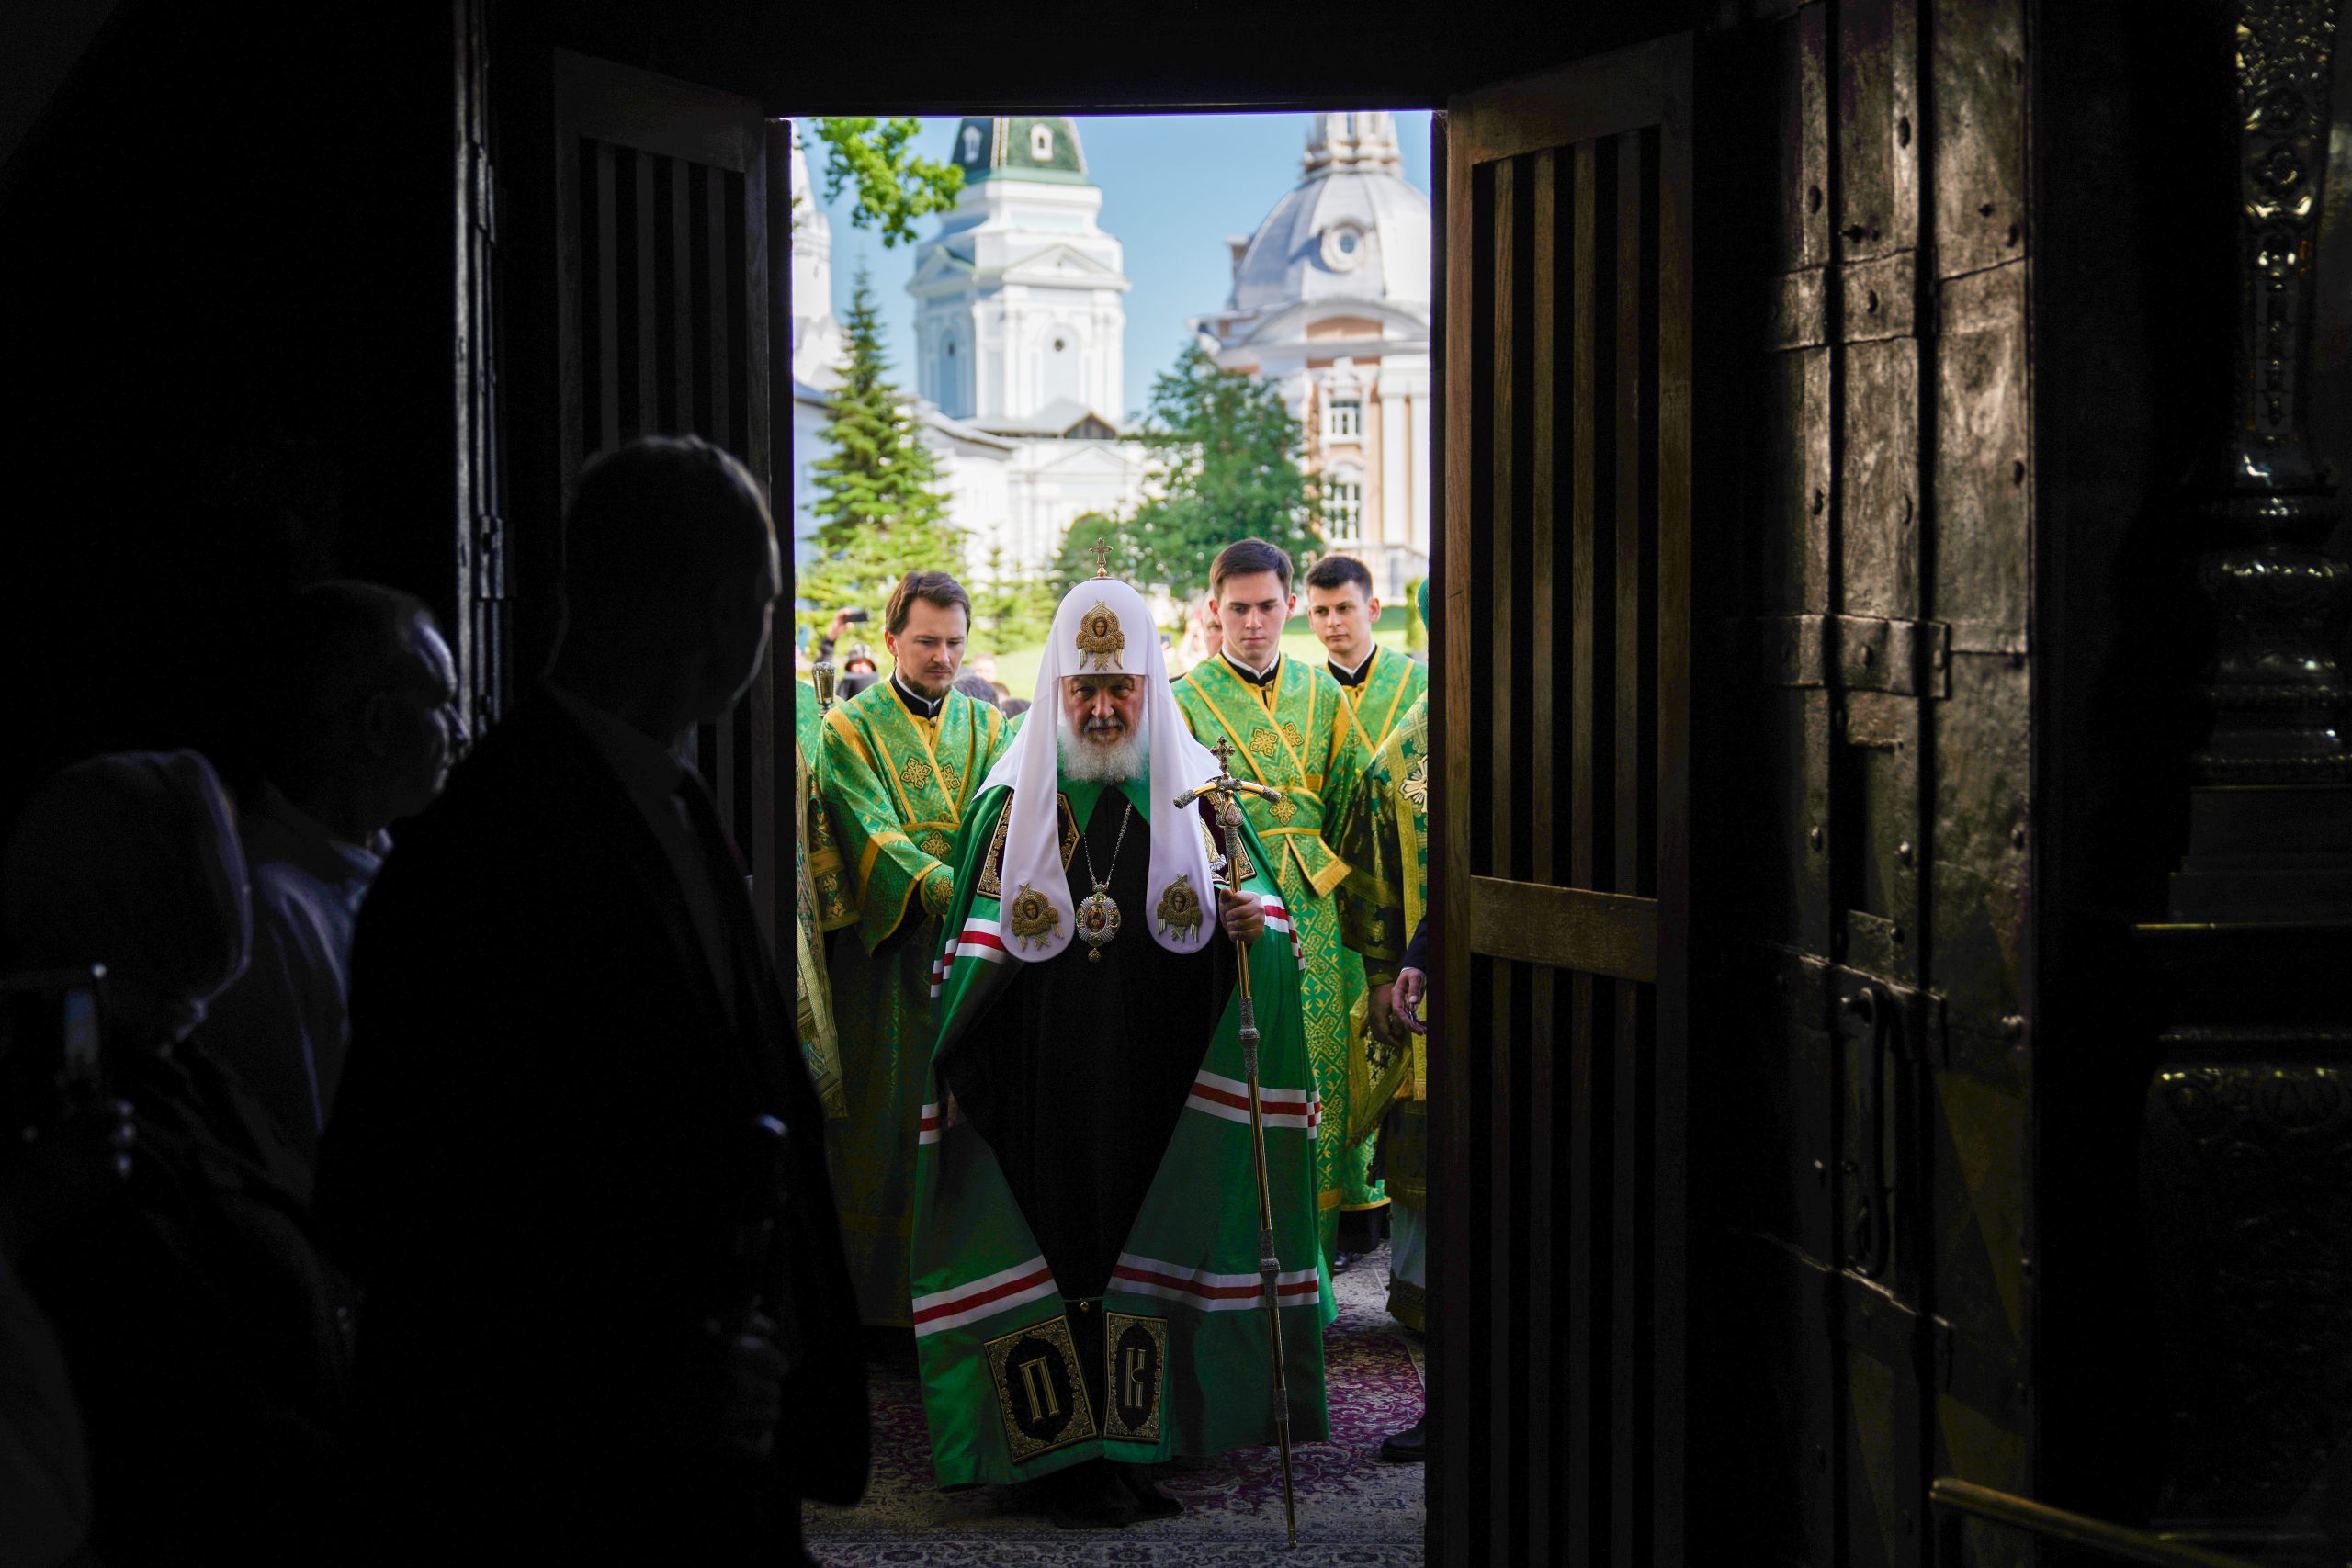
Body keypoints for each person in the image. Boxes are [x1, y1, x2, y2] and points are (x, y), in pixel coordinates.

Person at [316, 437, 866, 1565]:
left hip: (714, 1445)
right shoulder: (494, 844)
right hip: (588, 1476)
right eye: (767, 605)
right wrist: (645, 1371)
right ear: (724, 608)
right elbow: (408, 1196)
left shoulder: (651, 792)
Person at [913, 568, 1327, 1526]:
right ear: (1057, 686)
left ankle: (1135, 1443)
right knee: (1056, 1257)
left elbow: (1269, 933)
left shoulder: (1199, 800)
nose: (1101, 708)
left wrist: (1243, 930)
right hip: (1036, 1092)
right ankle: (1056, 1458)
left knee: (1137, 1251)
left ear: (1148, 686)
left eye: (1120, 689)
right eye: (1083, 690)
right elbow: (967, 965)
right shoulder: (1008, 804)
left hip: (1155, 1086)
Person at [3, 750, 355, 1564]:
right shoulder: (77, 1130)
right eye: (210, 861)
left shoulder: (186, 1062)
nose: (236, 889)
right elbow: (184, 1407)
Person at [205, 581, 467, 1164]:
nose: (460, 732)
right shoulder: (271, 914)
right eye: (440, 706)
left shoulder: (388, 873)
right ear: (377, 726)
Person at [1173, 538, 1379, 1268]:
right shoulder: (1184, 700)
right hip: (1234, 911)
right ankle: (1245, 1255)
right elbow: (1172, 822)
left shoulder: (1324, 693)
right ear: (1213, 610)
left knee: (1317, 1070)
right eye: (1238, 608)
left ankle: (1313, 1257)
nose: (1253, 622)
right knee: (1248, 1076)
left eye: (1267, 606)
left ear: (1290, 606)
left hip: (1319, 911)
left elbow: (1357, 803)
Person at [816, 570, 1011, 1333]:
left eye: (956, 641)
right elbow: (868, 828)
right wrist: (948, 888)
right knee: (889, 1121)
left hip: (970, 955)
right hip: (889, 955)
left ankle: (959, 1294)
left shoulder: (991, 725)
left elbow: (1009, 817)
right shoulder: (849, 728)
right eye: (927, 641)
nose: (943, 656)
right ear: (893, 639)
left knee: (967, 1123)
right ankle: (884, 1309)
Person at [1338, 652, 1433, 1461]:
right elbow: (1371, 878)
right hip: (1429, 1007)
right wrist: (1378, 974)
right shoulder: (1404, 753)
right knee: (1430, 1200)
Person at [1305, 554, 1425, 754]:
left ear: (1373, 609)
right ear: (1311, 618)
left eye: (1344, 608)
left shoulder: (1419, 683)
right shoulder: (1306, 691)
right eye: (1321, 611)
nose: (1332, 621)